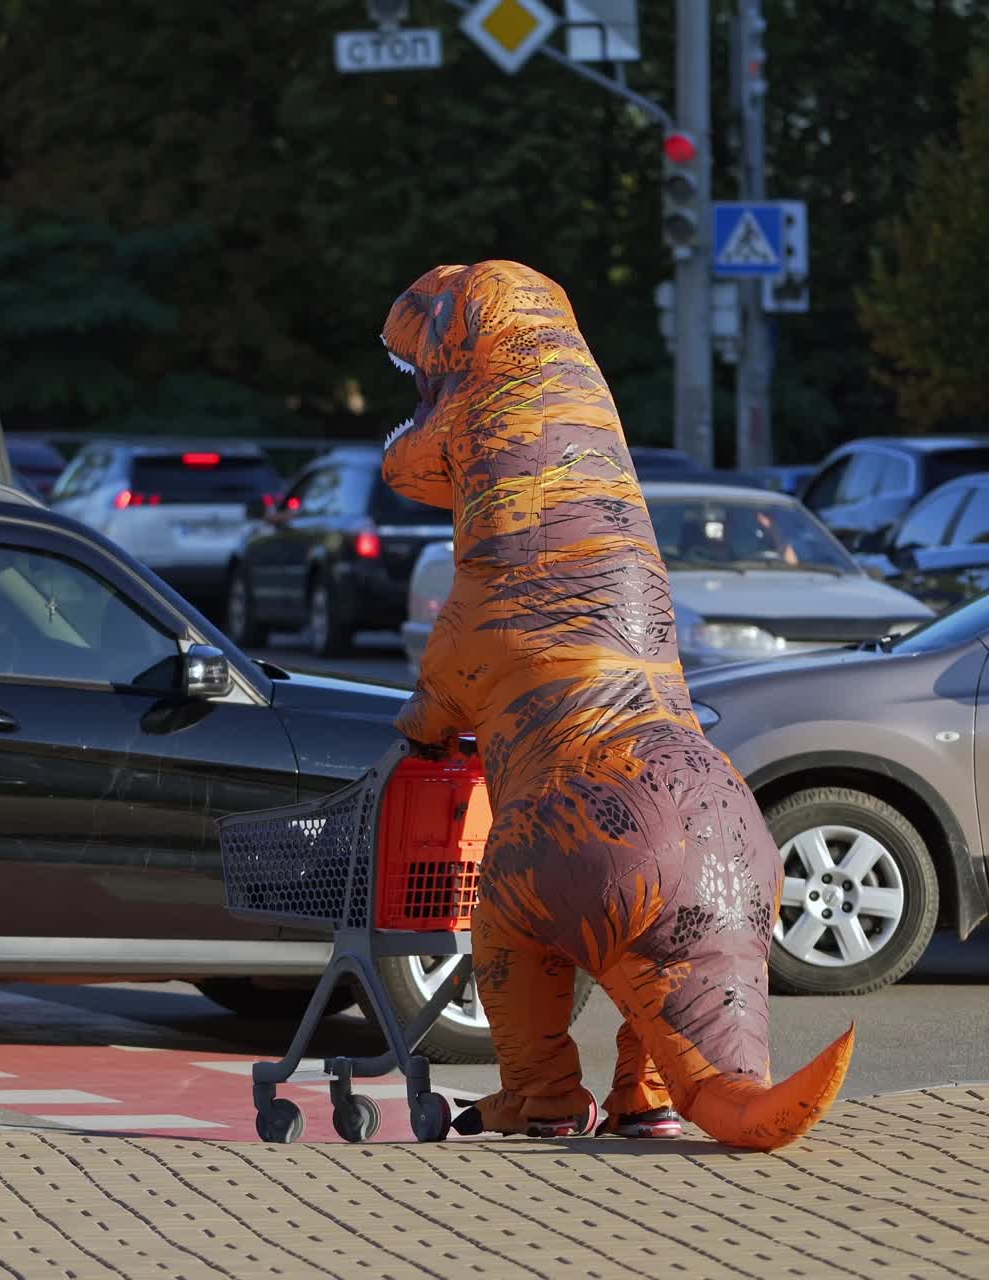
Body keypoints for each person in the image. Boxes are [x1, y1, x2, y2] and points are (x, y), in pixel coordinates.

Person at [377, 260, 853, 1150]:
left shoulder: (507, 566)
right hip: (725, 819)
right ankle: (653, 1094)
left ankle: (542, 1095)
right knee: (669, 954)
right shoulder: (632, 563)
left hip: (602, 812)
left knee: (509, 911)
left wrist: (424, 721)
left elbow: (460, 668)